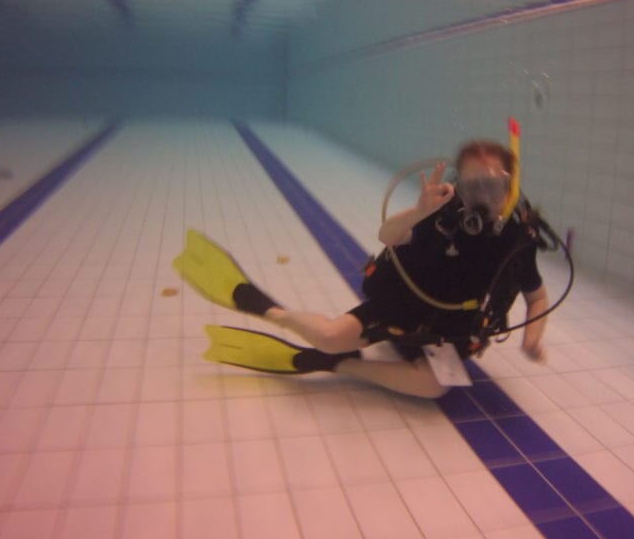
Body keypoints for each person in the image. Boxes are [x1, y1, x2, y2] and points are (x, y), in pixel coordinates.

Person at [174, 140, 550, 399]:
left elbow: (538, 298)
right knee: (329, 335)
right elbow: (388, 236)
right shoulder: (443, 213)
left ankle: (338, 365)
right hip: (402, 306)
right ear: (459, 184)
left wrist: (531, 339)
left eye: (493, 186)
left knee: (433, 388)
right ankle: (272, 312)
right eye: (473, 185)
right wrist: (419, 212)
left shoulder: (518, 240)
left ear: (511, 186)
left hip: (449, 330)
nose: (482, 197)